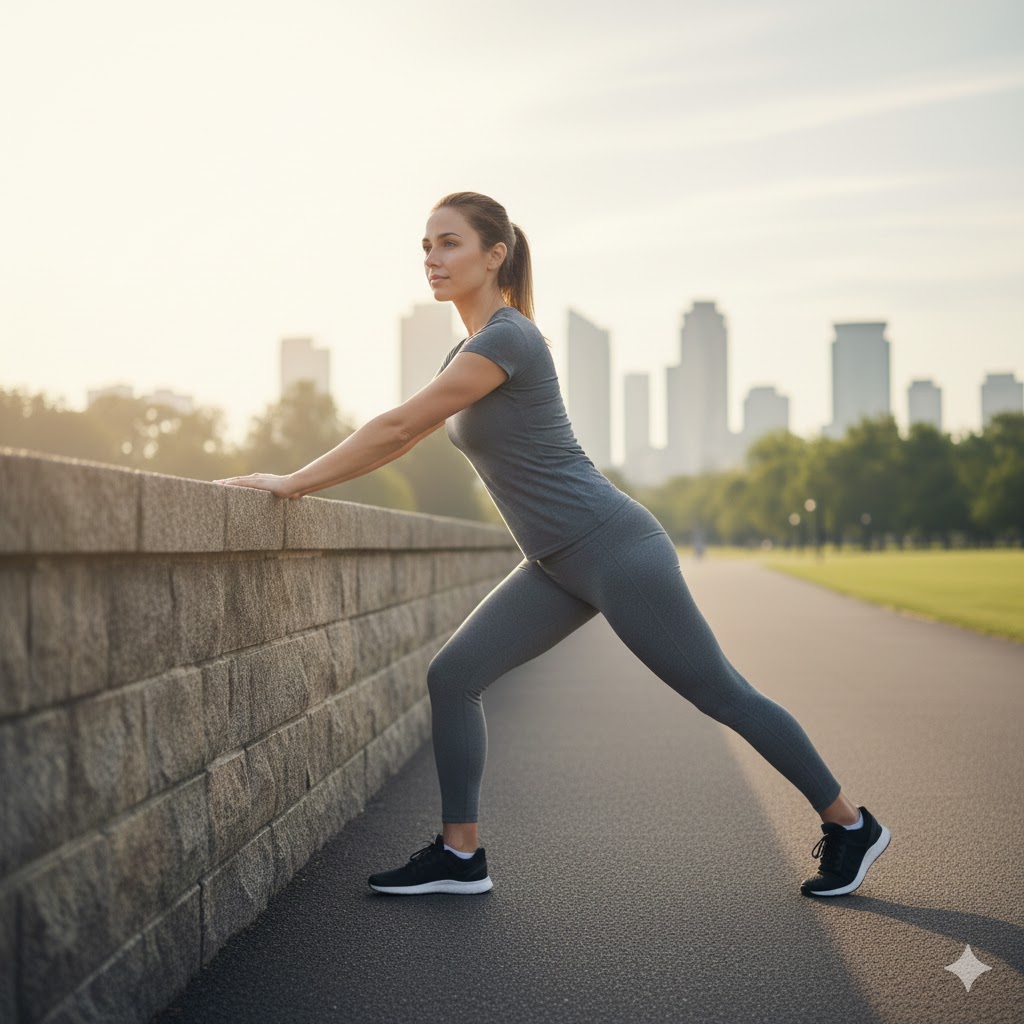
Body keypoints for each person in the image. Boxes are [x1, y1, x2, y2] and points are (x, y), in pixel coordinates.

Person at [214, 191, 891, 899]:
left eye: (449, 243)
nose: (432, 259)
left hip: (612, 547)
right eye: (425, 246)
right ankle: (461, 855)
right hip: (554, 562)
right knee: (453, 677)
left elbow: (397, 427)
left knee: (720, 692)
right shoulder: (469, 348)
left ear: (494, 254)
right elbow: (407, 436)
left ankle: (851, 826)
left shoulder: (509, 337)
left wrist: (292, 483)